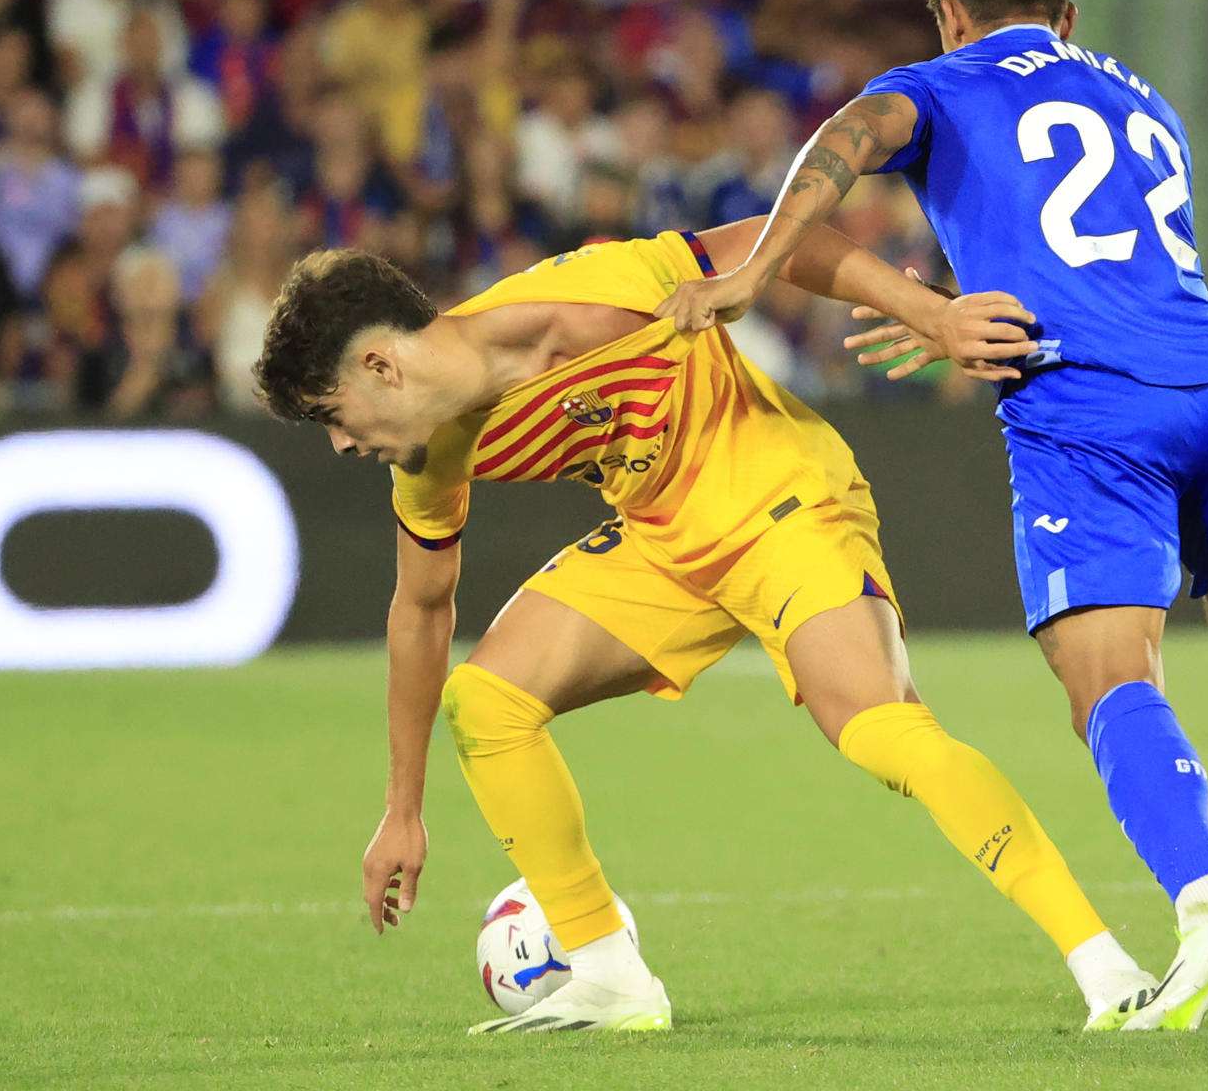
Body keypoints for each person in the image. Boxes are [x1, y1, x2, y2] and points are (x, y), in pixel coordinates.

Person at [658, 0, 1208, 1030]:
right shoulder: (1146, 104)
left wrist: (753, 273)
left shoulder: (939, 80)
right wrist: (940, 307)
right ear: (1066, 17)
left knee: (1109, 678)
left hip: (1089, 398)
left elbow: (848, 139)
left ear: (952, 16)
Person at [251, 220, 1160, 1035]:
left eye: (332, 418)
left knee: (880, 730)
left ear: (380, 366)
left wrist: (924, 311)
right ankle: (608, 975)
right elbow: (420, 611)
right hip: (663, 542)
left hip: (778, 500)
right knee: (486, 704)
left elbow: (789, 241)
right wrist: (402, 809)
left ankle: (1105, 966)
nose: (339, 445)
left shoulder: (598, 291)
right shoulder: (432, 455)